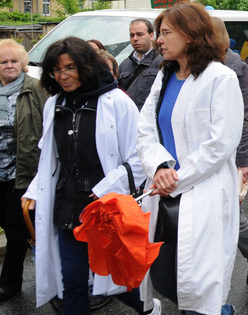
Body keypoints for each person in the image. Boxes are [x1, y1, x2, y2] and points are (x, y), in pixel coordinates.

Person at [21, 37, 155, 314]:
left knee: (118, 279)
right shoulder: (54, 104)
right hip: (67, 206)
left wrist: (105, 187)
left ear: (86, 66)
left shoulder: (116, 102)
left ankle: (149, 308)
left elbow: (139, 157)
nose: (63, 76)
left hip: (103, 208)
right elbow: (50, 159)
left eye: (70, 68)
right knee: (72, 280)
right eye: (56, 70)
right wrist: (35, 190)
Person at [137, 2, 242, 315]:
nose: (158, 40)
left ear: (191, 35)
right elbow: (145, 129)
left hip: (202, 193)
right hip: (164, 194)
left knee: (199, 287)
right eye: (159, 33)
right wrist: (159, 167)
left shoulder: (220, 78)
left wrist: (176, 179)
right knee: (167, 279)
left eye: (166, 32)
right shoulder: (164, 77)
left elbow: (221, 143)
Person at [211, 16, 248, 285]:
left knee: (231, 214)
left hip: (229, 155)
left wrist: (243, 161)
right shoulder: (193, 64)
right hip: (203, 155)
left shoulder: (236, 66)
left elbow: (243, 117)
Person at [0, 40, 46, 302]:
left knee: (16, 230)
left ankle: (10, 283)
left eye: (14, 61)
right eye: (3, 62)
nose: (9, 65)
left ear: (23, 63)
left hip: (22, 173)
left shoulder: (36, 89)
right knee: (9, 225)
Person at [118, 19, 163, 111]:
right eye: (132, 35)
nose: (135, 38)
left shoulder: (162, 62)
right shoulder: (124, 65)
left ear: (151, 35)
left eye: (140, 34)